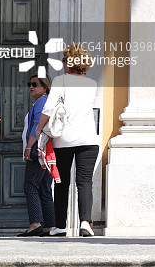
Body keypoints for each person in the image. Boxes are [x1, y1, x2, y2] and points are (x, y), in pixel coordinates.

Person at [35, 44, 100, 238]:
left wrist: (39, 129)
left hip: (64, 140)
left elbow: (48, 108)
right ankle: (85, 223)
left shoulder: (60, 80)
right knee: (85, 182)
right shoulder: (92, 83)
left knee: (61, 183)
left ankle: (60, 226)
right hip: (88, 138)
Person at [18, 74, 56, 237]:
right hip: (46, 150)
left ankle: (36, 223)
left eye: (35, 84)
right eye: (30, 84)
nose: (31, 87)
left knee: (30, 185)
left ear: (45, 87)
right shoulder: (45, 102)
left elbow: (36, 126)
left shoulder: (42, 102)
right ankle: (50, 225)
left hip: (38, 149)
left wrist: (28, 147)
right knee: (45, 188)